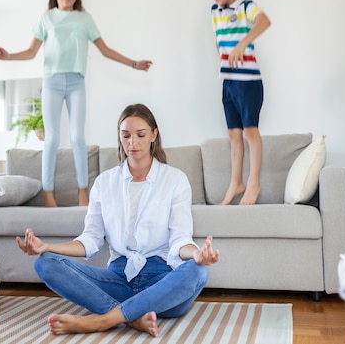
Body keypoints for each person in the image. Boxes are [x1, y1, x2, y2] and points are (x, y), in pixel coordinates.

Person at [16, 103, 220, 336]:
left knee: (199, 271)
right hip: (117, 279)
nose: (132, 142)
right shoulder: (104, 182)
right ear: (120, 138)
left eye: (141, 134)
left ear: (154, 135)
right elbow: (91, 239)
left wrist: (196, 254)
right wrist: (47, 246)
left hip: (160, 282)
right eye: (126, 135)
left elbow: (180, 238)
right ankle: (133, 318)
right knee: (44, 262)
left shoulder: (175, 179)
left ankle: (101, 321)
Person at [0, 0, 152, 208]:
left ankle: (82, 192)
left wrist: (133, 63)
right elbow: (31, 52)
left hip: (76, 81)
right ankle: (48, 193)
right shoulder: (47, 18)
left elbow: (105, 50)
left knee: (78, 137)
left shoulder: (84, 19)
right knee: (53, 138)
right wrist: (8, 57)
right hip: (52, 81)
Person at [206, 0, 272, 205]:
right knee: (234, 134)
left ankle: (253, 182)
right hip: (228, 81)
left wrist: (243, 44)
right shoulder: (215, 11)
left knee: (250, 132)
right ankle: (237, 182)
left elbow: (265, 21)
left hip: (248, 81)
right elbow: (219, 40)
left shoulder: (246, 6)